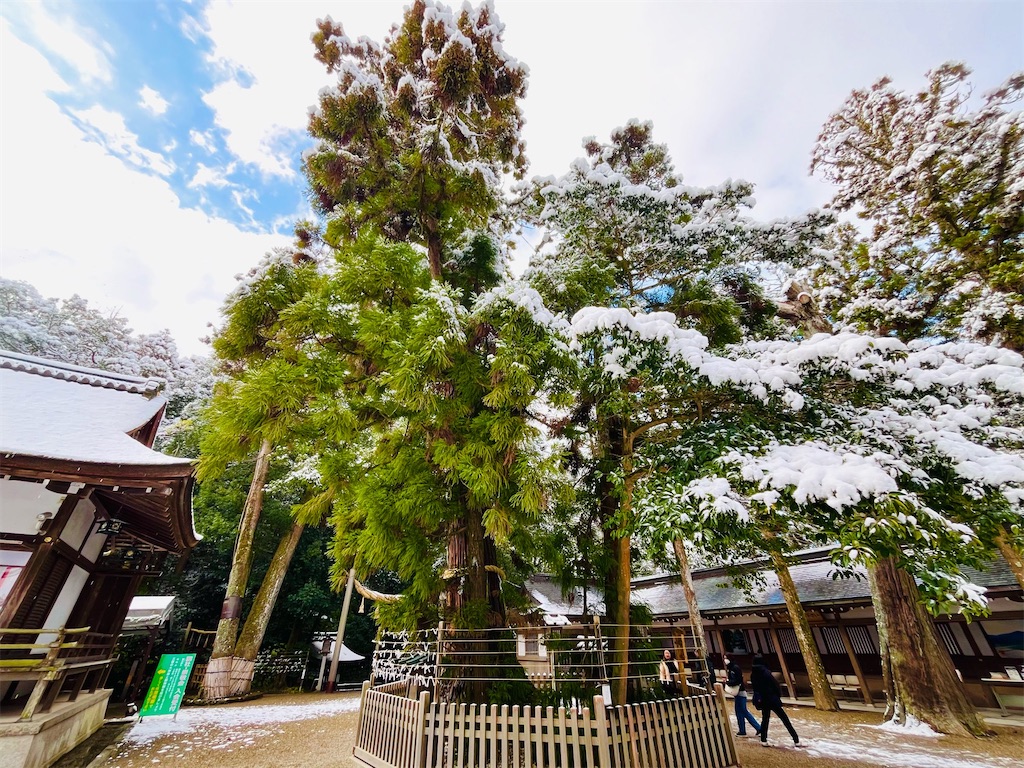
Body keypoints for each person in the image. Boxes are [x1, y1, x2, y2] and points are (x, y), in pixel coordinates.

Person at [749, 653, 800, 747]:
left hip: (763, 699)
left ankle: (763, 739)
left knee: (765, 719)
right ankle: (796, 739)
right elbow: (774, 685)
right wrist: (777, 695)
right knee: (784, 719)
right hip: (771, 698)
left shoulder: (753, 674)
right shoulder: (766, 672)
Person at [724, 654, 761, 737]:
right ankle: (742, 730)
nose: (725, 660)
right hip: (737, 693)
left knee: (743, 711)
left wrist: (728, 683)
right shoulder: (731, 668)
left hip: (740, 692)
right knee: (739, 712)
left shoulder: (735, 668)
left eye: (726, 658)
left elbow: (738, 680)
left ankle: (758, 728)